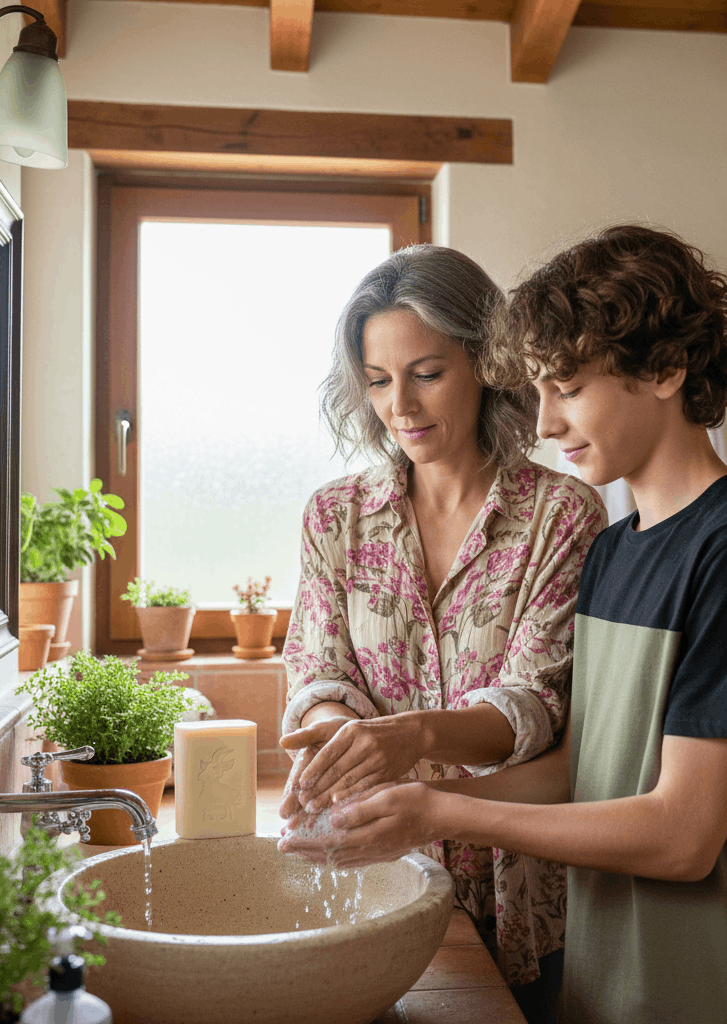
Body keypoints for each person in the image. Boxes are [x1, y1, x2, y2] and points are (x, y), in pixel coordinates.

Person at [280, 225, 727, 1024]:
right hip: (613, 979)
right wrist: (403, 807)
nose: (541, 423)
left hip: (723, 989)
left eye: (566, 388)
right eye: (537, 388)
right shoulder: (617, 550)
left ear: (668, 369)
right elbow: (581, 771)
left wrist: (437, 810)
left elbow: (683, 836)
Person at [277, 243, 607, 1019]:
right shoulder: (336, 515)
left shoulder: (563, 517)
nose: (402, 407)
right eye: (379, 382)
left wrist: (408, 737)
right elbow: (318, 672)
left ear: (486, 363)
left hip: (520, 885)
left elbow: (534, 710)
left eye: (426, 373)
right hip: (378, 873)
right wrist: (336, 740)